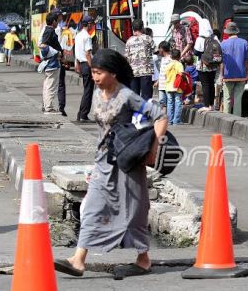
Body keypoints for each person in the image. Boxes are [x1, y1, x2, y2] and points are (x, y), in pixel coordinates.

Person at [54, 49, 167, 279]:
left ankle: (143, 258)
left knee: (134, 210)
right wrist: (95, 165)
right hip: (103, 161)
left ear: (113, 73)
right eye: (93, 72)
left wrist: (153, 147)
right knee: (93, 205)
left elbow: (160, 116)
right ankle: (78, 259)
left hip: (127, 161)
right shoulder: (97, 94)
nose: (94, 77)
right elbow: (101, 133)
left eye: (98, 72)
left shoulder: (126, 96)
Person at [221, 22, 248, 116]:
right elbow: (247, 60)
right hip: (241, 75)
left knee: (227, 98)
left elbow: (222, 62)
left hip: (227, 75)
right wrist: (246, 73)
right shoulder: (244, 42)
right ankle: (237, 119)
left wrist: (221, 75)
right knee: (238, 99)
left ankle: (226, 119)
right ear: (236, 31)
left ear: (227, 32)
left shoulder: (223, 44)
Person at [124, 19, 155, 101]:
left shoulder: (129, 41)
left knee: (135, 98)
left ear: (133, 28)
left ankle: (135, 113)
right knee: (146, 97)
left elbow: (126, 57)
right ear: (142, 27)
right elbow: (156, 51)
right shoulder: (148, 38)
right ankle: (145, 113)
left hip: (133, 72)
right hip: (145, 71)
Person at [193, 19, 220, 111]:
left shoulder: (200, 38)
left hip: (203, 65)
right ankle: (212, 105)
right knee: (211, 84)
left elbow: (196, 52)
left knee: (205, 85)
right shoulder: (214, 37)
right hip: (213, 65)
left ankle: (206, 105)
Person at [40, 13, 63, 115]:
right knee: (51, 86)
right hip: (52, 63)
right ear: (53, 21)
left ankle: (46, 106)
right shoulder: (49, 31)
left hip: (51, 62)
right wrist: (56, 52)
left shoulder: (48, 30)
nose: (58, 23)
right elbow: (43, 46)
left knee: (47, 85)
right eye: (57, 21)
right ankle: (49, 107)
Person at [75, 16, 95, 122]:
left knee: (86, 89)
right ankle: (83, 115)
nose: (92, 25)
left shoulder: (78, 35)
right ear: (88, 24)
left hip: (81, 64)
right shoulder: (87, 37)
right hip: (87, 65)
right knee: (88, 91)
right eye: (92, 23)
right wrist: (92, 68)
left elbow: (77, 52)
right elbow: (88, 54)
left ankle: (80, 114)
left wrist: (76, 64)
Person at [164, 49, 184, 125]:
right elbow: (181, 74)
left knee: (170, 103)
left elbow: (165, 75)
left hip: (168, 86)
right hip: (177, 87)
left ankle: (170, 120)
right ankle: (176, 120)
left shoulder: (168, 64)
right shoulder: (179, 64)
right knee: (178, 103)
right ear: (179, 56)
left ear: (171, 56)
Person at [156, 41, 172, 112]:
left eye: (159, 48)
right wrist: (158, 81)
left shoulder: (170, 59)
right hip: (161, 85)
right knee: (161, 101)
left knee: (169, 101)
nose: (158, 50)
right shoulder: (162, 59)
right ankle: (162, 116)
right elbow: (161, 72)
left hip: (168, 84)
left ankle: (169, 117)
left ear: (162, 49)